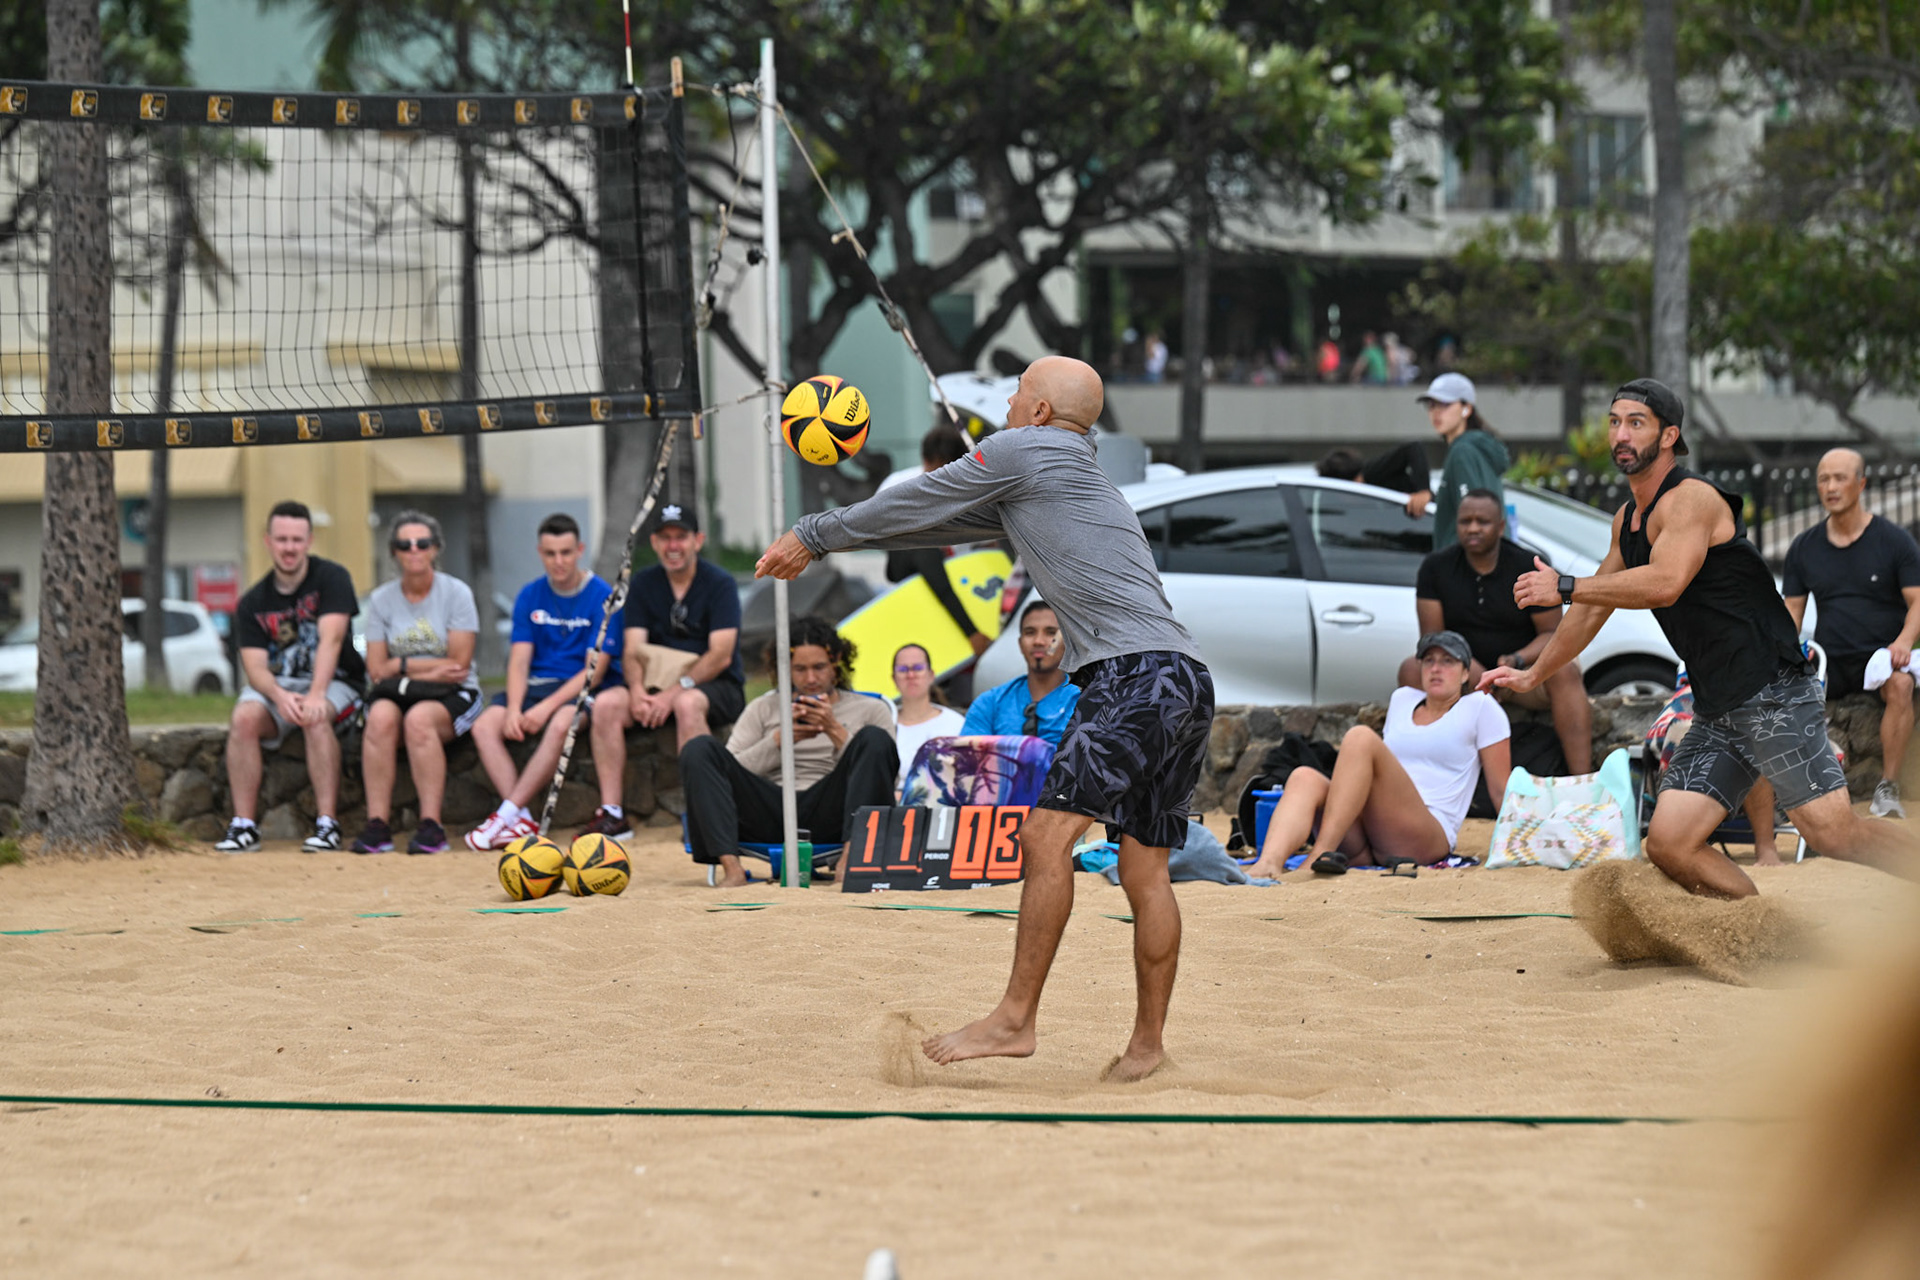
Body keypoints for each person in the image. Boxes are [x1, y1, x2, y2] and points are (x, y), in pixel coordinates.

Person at [758, 354, 1213, 1083]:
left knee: (1044, 833)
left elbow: (918, 499)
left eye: (1018, 392)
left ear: (1037, 413)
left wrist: (813, 532)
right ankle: (1147, 1048)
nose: (1005, 400)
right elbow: (932, 518)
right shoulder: (1074, 471)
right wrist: (837, 538)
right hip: (1184, 677)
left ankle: (1014, 1019)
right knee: (1144, 868)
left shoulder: (1020, 450)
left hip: (1131, 678)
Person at [1481, 378, 1919, 899]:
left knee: (1831, 832)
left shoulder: (1692, 501)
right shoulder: (1628, 520)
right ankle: (1760, 930)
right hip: (1719, 706)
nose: (1621, 434)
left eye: (1636, 423)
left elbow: (1666, 583)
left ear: (1669, 436)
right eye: (1615, 422)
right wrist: (1536, 672)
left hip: (1774, 691)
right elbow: (1589, 612)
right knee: (1668, 842)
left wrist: (1567, 586)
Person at [1247, 631, 1510, 877]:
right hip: (1372, 836)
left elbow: (1500, 790)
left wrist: (1516, 846)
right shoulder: (1403, 699)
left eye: (1448, 661)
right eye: (1428, 661)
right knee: (1304, 776)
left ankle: (1320, 852)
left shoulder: (1481, 707)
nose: (1436, 668)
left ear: (1466, 674)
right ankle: (1268, 863)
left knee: (1360, 737)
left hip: (1427, 833)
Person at [679, 617, 898, 887]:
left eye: (819, 667)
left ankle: (849, 862)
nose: (811, 679)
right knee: (699, 748)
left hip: (835, 811)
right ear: (786, 668)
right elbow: (726, 772)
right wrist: (778, 741)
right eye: (800, 669)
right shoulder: (764, 708)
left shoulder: (870, 709)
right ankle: (732, 869)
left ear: (836, 662)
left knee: (874, 739)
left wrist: (834, 730)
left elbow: (886, 777)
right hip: (771, 810)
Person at [465, 514, 632, 850]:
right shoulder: (530, 595)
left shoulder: (602, 595)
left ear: (580, 550)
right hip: (535, 686)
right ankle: (522, 817)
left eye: (566, 552)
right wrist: (514, 708)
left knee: (558, 724)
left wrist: (542, 709)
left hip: (580, 689)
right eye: (551, 553)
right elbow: (520, 660)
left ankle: (505, 814)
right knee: (484, 726)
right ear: (540, 552)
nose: (559, 561)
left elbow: (594, 671)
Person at [1404, 489, 1593, 774]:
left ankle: (1584, 779)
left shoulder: (1527, 565)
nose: (1473, 528)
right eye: (1465, 521)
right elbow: (1432, 639)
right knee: (1410, 669)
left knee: (1565, 669)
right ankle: (1424, 774)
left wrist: (1515, 660)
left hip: (1522, 672)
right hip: (1465, 674)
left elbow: (1554, 634)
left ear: (1501, 526)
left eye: (1483, 521)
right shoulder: (1436, 568)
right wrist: (1468, 666)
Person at [216, 500, 365, 853]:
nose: (289, 547)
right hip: (280, 686)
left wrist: (315, 695)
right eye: (282, 539)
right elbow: (254, 669)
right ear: (268, 541)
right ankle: (244, 826)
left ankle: (327, 824)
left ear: (309, 540)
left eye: (296, 540)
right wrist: (281, 698)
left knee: (315, 719)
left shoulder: (332, 578)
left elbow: (331, 639)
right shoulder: (253, 602)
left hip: (336, 680)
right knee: (244, 718)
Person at [1782, 447, 1920, 818]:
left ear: (1861, 484)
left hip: (1879, 659)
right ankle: (1798, 802)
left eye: (1840, 478)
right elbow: (1791, 612)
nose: (1830, 486)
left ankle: (1887, 789)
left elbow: (1918, 601)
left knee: (1902, 685)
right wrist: (1782, 656)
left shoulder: (1893, 540)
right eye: (1823, 479)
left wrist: (1904, 643)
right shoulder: (1804, 547)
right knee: (1778, 698)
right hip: (1830, 663)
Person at [352, 511, 482, 855]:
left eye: (422, 543)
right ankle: (377, 825)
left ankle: (431, 827)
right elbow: (378, 669)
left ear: (435, 548)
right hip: (399, 691)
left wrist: (402, 665)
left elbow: (459, 665)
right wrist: (420, 667)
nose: (413, 550)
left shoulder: (456, 593)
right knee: (379, 719)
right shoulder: (381, 599)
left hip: (455, 693)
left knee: (419, 721)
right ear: (394, 551)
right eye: (404, 544)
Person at [622, 503, 745, 754]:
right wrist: (635, 689)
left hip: (716, 685)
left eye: (681, 537)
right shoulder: (642, 583)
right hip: (653, 684)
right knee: (606, 706)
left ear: (698, 541)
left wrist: (673, 693)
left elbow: (721, 656)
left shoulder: (720, 584)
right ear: (654, 542)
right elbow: (632, 649)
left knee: (686, 704)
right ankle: (610, 795)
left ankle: (702, 792)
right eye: (665, 538)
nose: (673, 546)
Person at [883, 423, 995, 664]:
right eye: (932, 469)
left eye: (946, 472)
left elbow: (986, 553)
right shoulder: (896, 486)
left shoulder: (971, 495)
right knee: (922, 545)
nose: (937, 478)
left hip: (960, 590)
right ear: (924, 459)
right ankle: (971, 633)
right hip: (911, 581)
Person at [959, 599, 1080, 747]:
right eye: (1030, 632)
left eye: (1050, 633)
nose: (1038, 641)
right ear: (1020, 644)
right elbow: (970, 760)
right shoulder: (990, 703)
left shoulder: (1084, 704)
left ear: (1068, 642)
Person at [1418, 372, 1507, 550]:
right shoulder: (1476, 448)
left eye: (1444, 404)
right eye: (1431, 404)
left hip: (1463, 565)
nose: (1436, 412)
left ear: (1467, 408)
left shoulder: (1462, 452)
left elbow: (1474, 516)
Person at [888, 642, 965, 796]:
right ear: (894, 679)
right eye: (902, 670)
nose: (911, 675)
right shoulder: (883, 721)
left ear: (931, 675)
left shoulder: (956, 723)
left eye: (918, 668)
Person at [1317, 443, 1433, 519]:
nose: (1342, 499)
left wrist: (1423, 490)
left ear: (1355, 481)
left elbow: (1413, 448)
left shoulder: (1371, 473)